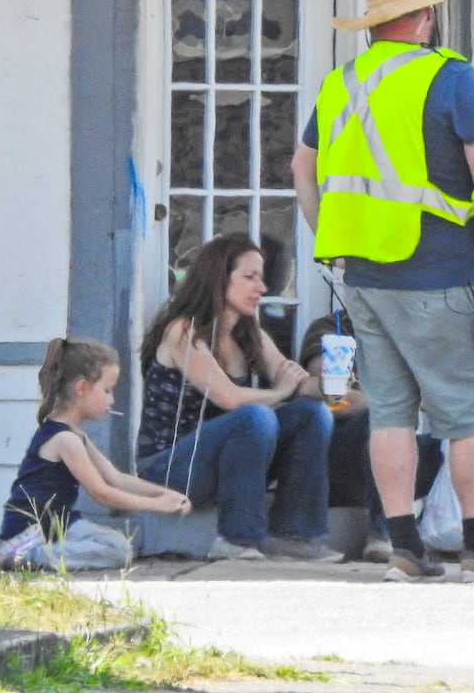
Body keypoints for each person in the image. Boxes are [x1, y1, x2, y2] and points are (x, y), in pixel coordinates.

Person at [291, 0, 474, 584]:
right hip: (436, 272)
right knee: (470, 415)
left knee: (391, 414)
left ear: (373, 27)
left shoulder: (341, 82)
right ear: (426, 16)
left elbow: (301, 167)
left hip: (364, 277)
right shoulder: (450, 77)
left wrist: (329, 237)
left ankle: (404, 548)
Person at [134, 234, 337, 562]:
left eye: (262, 277)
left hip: (224, 465)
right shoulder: (183, 331)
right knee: (256, 416)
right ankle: (236, 538)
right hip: (168, 468)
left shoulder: (249, 333)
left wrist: (328, 385)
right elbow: (229, 398)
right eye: (249, 277)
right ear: (218, 277)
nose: (262, 287)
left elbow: (296, 383)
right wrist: (280, 392)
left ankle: (295, 535)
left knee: (313, 413)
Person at [296, 311, 474, 561]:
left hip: (406, 453)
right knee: (385, 419)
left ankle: (468, 531)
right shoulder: (332, 329)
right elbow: (330, 394)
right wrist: (395, 401)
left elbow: (440, 400)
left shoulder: (415, 333)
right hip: (349, 453)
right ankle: (384, 535)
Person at [0, 338, 192, 570]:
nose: (112, 399)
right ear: (81, 388)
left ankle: (38, 554)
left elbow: (116, 479)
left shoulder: (76, 434)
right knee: (117, 551)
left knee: (117, 544)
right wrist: (158, 505)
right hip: (33, 528)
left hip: (62, 523)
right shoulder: (64, 439)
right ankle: (27, 555)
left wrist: (167, 494)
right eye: (107, 390)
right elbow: (102, 493)